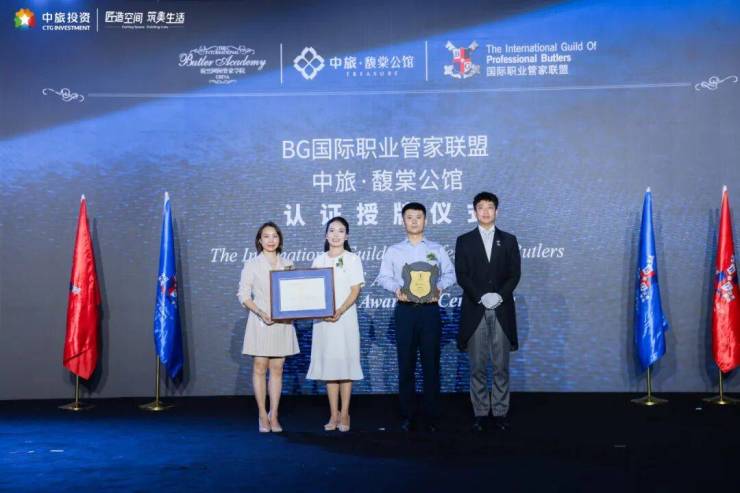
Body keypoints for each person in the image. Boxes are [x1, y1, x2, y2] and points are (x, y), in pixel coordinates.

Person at [376, 202, 455, 432]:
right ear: (403, 221)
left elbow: (451, 274)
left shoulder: (437, 249)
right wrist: (396, 288)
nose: (414, 221)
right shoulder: (394, 250)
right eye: (409, 217)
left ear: (425, 221)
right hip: (405, 311)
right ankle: (408, 415)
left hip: (430, 311)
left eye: (418, 217)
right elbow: (383, 277)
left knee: (431, 365)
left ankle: (432, 416)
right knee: (406, 364)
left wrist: (439, 287)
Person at [454, 192, 521, 432]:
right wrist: (481, 296)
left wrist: (499, 296)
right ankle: (481, 412)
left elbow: (515, 274)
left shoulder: (509, 240)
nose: (485, 211)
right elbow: (462, 274)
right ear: (474, 212)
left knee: (501, 365)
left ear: (497, 211)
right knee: (478, 366)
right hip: (476, 309)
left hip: (502, 309)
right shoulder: (464, 240)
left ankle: (500, 411)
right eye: (480, 207)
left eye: (490, 207)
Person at [237, 221, 299, 433]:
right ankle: (262, 414)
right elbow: (243, 295)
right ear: (259, 240)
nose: (271, 240)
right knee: (260, 366)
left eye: (275, 236)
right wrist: (261, 313)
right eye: (266, 236)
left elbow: (294, 294)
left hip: (282, 323)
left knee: (277, 368)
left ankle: (274, 415)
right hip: (260, 321)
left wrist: (295, 310)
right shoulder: (252, 264)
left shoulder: (288, 263)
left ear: (279, 239)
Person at [307, 217, 365, 432]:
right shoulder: (318, 260)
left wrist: (339, 310)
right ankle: (333, 414)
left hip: (345, 318)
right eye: (332, 230)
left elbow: (355, 290)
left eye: (341, 231)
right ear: (326, 235)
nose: (336, 235)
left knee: (345, 366)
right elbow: (312, 291)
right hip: (323, 321)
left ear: (346, 236)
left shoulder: (353, 259)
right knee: (330, 367)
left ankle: (345, 412)